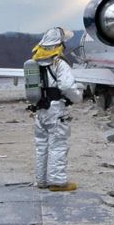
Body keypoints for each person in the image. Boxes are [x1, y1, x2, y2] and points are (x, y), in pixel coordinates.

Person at [30, 27, 83, 191]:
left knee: (42, 146)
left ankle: (42, 180)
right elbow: (67, 86)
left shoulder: (34, 63)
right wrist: (78, 97)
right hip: (56, 110)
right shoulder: (59, 63)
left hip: (40, 110)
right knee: (58, 145)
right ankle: (58, 182)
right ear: (59, 44)